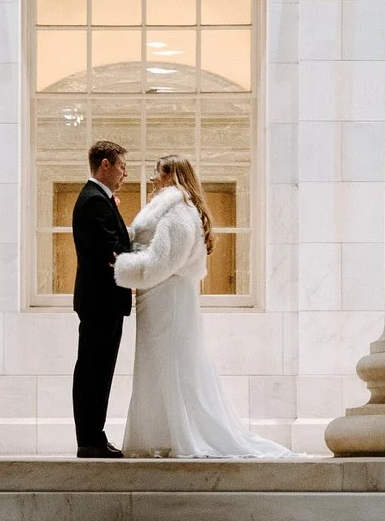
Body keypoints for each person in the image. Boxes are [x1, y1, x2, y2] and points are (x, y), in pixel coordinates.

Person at [112, 155, 290, 459]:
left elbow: (164, 262)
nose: (153, 179)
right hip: (156, 298)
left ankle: (180, 435)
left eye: (157, 173)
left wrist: (122, 266)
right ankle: (162, 435)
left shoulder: (179, 212)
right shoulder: (167, 209)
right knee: (157, 366)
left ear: (170, 176)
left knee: (173, 365)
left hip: (168, 298)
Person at [68, 138, 132, 458]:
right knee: (94, 370)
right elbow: (113, 250)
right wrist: (140, 268)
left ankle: (95, 435)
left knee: (98, 369)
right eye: (122, 166)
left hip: (102, 301)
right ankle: (90, 440)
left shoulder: (100, 198)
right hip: (100, 302)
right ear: (104, 165)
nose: (125, 173)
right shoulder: (94, 200)